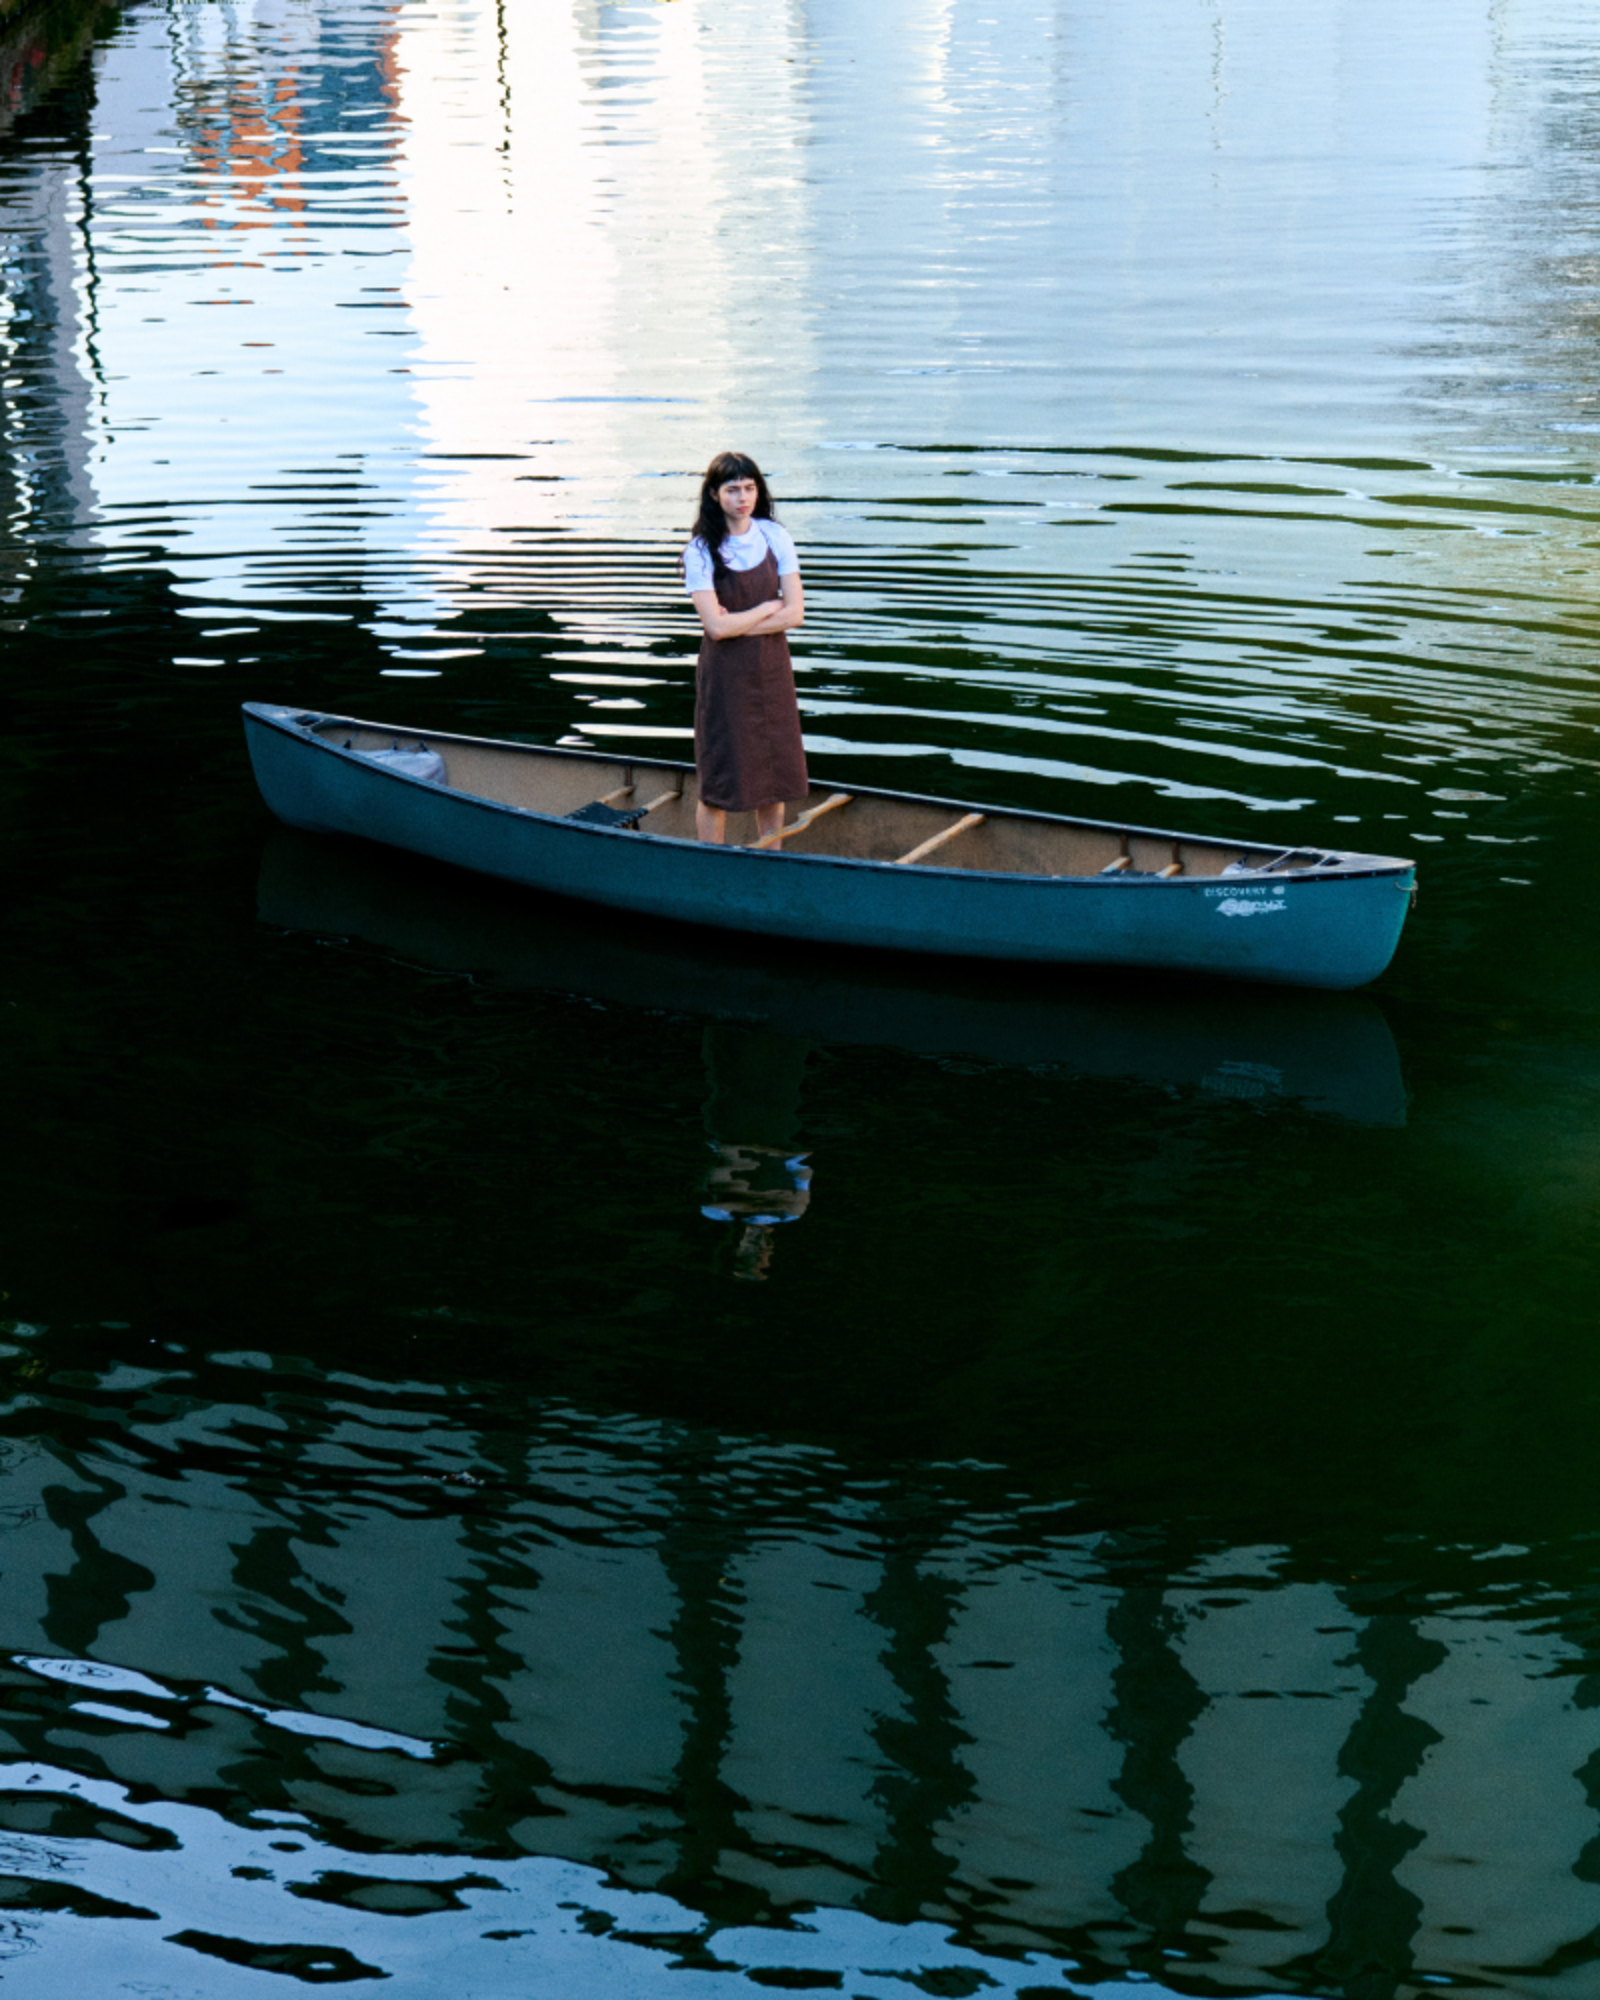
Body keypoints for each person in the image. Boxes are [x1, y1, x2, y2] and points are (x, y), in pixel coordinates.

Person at [682, 452, 807, 844]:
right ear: (715, 495)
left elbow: (795, 615)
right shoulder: (700, 551)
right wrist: (765, 608)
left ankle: (771, 859)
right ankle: (709, 865)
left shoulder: (775, 536)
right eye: (732, 489)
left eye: (749, 488)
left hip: (772, 672)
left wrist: (738, 623)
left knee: (773, 776)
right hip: (726, 677)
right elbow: (715, 629)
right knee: (718, 776)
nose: (743, 497)